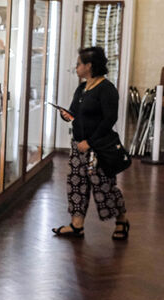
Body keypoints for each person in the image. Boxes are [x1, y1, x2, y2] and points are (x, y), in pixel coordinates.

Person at [52, 46, 130, 240]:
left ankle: (122, 220)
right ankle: (77, 225)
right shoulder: (82, 88)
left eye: (79, 64)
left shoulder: (107, 89)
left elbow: (109, 119)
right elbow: (74, 114)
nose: (76, 67)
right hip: (78, 146)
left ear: (89, 66)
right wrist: (66, 116)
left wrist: (91, 141)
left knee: (104, 186)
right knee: (76, 184)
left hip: (98, 148)